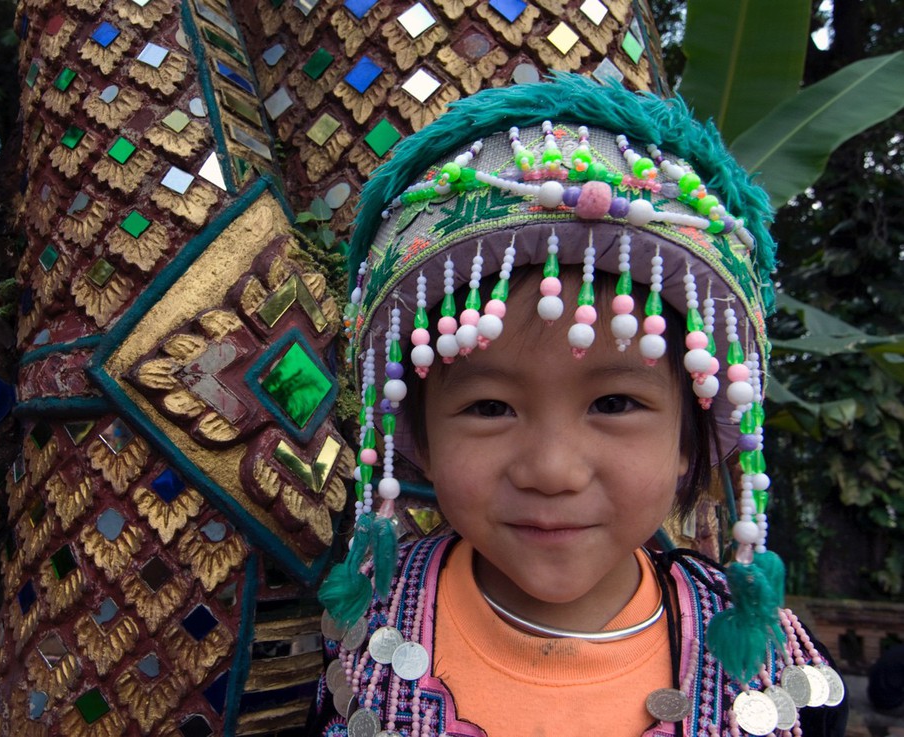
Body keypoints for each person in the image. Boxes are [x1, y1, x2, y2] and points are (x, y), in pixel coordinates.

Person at [311, 75, 849, 737]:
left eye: (615, 401)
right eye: (489, 407)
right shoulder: (360, 640)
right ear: (419, 431)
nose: (552, 469)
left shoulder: (782, 680)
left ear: (692, 435)